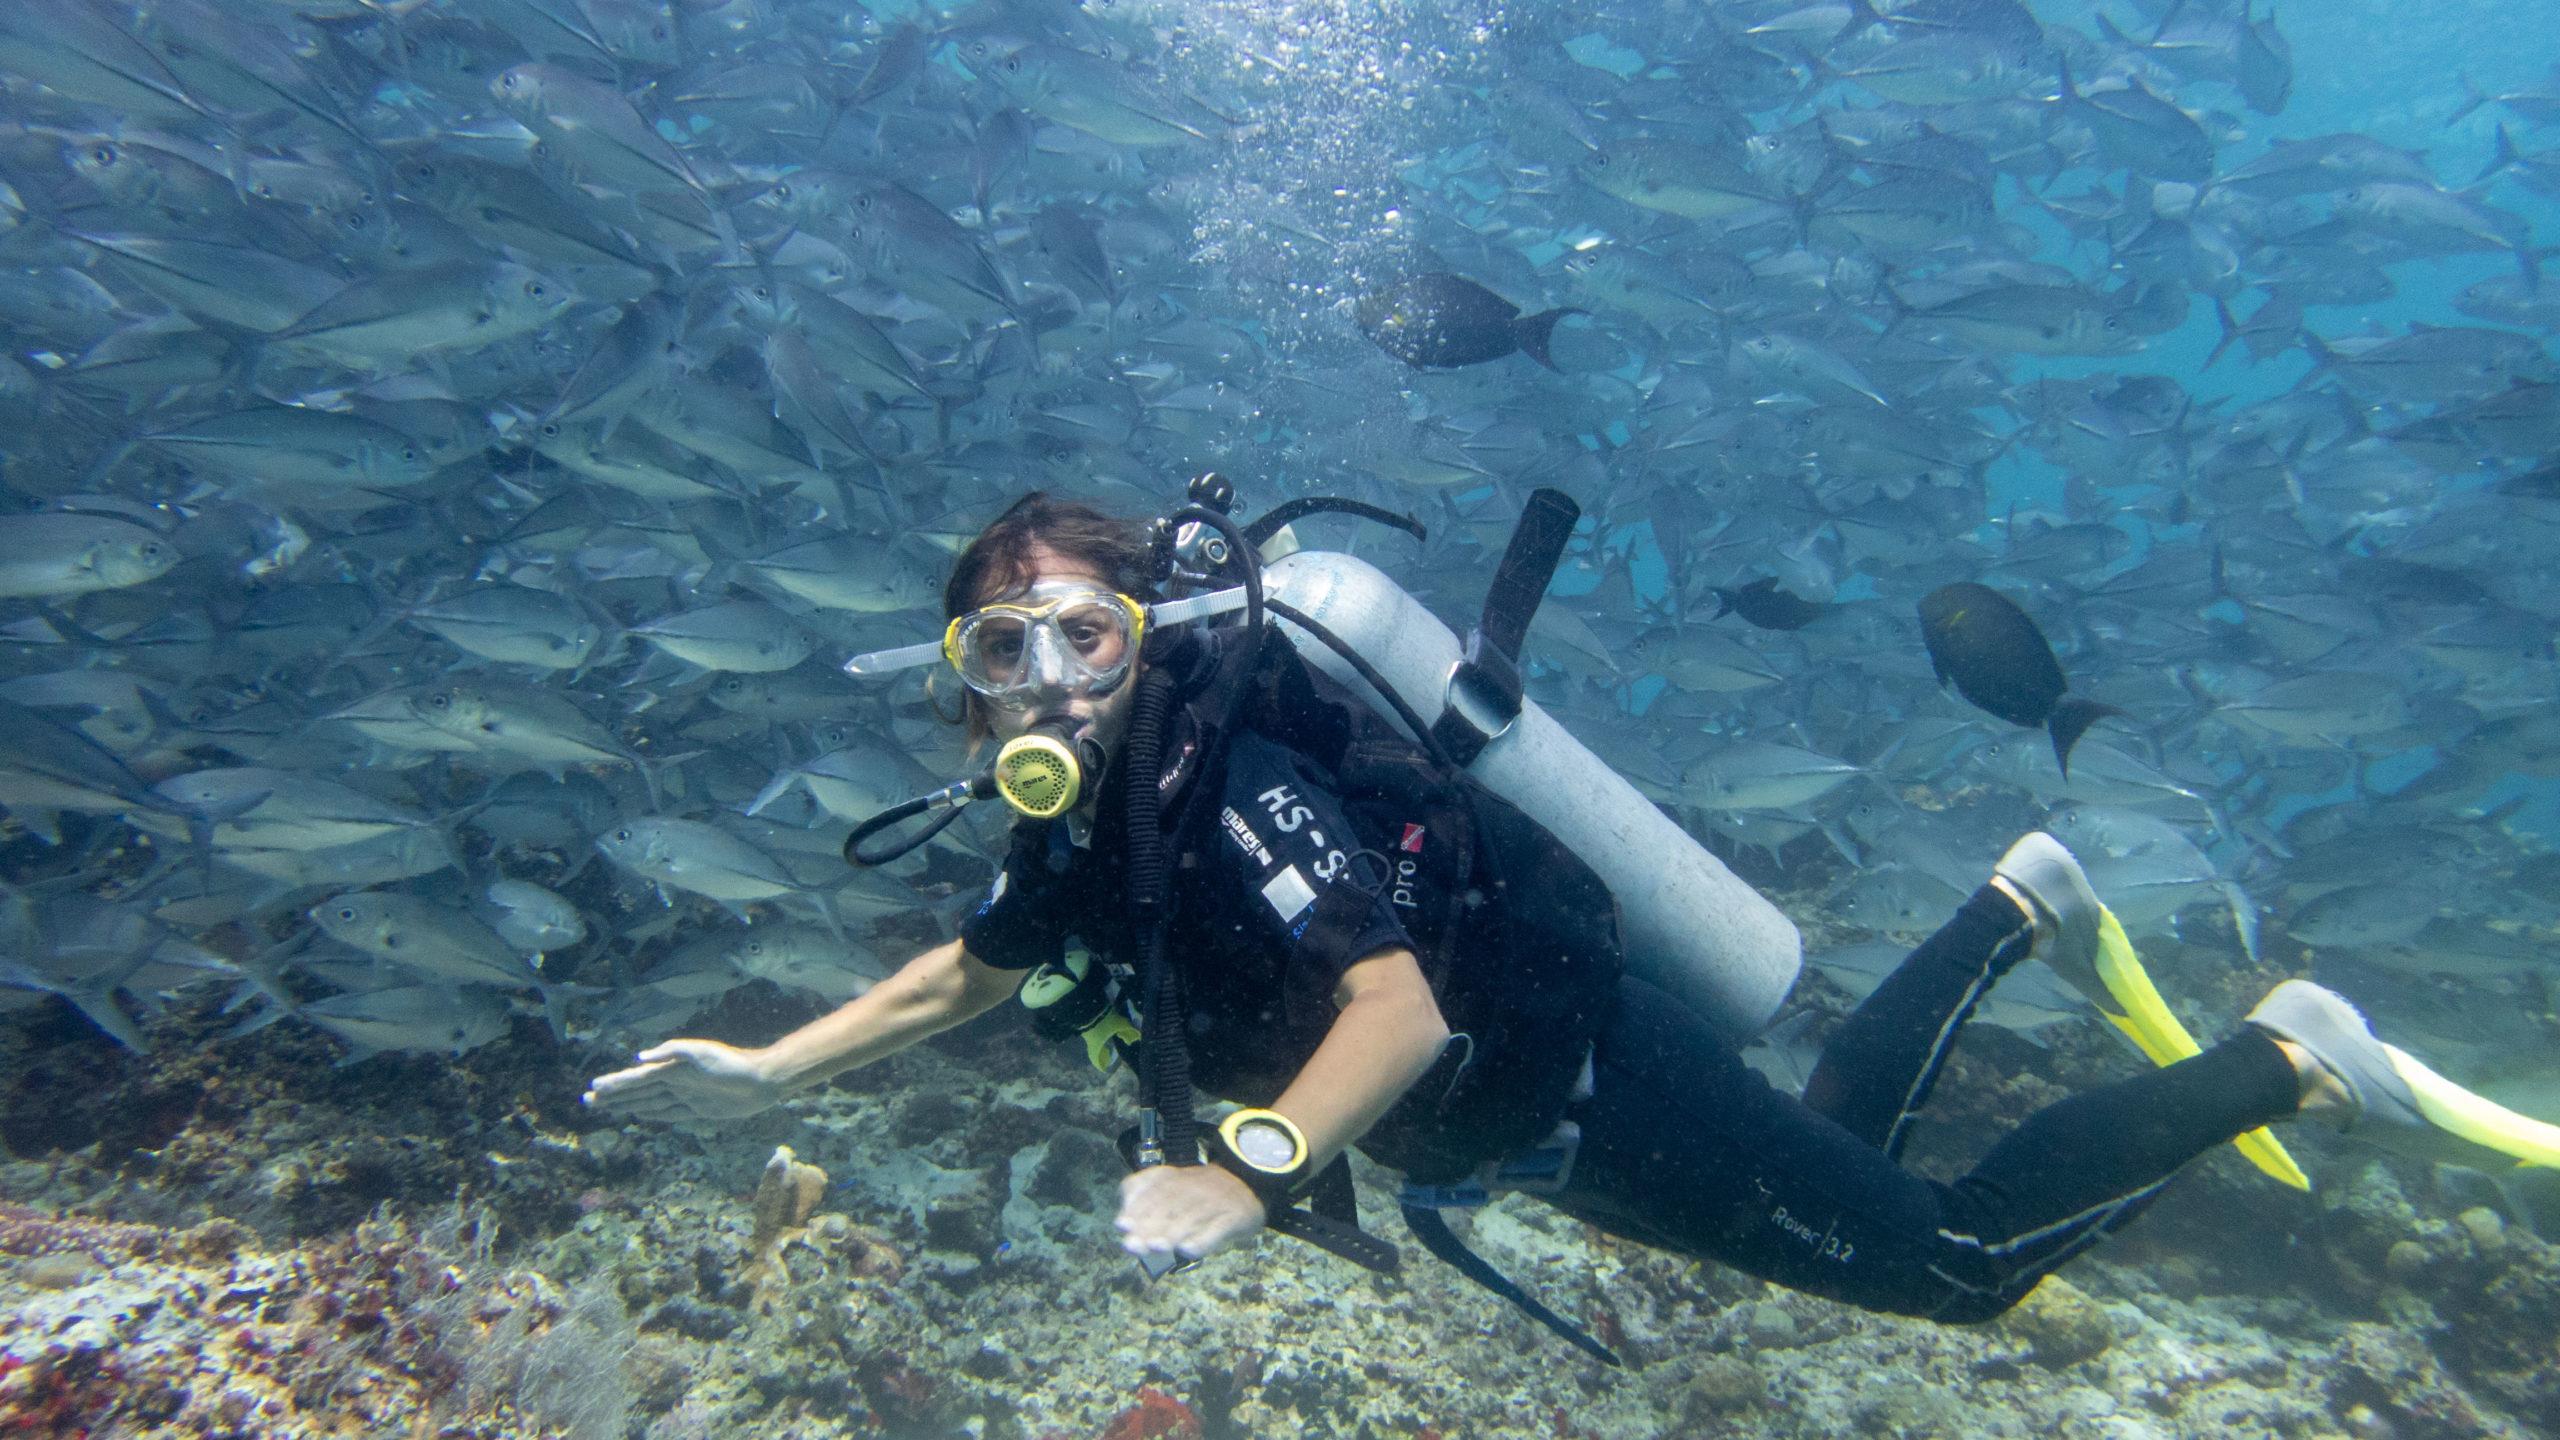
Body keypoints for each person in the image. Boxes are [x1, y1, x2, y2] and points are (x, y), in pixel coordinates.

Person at [583, 491, 2510, 1337]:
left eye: (1081, 636)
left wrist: (1245, 1171)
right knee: (1841, 1151)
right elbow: (956, 975)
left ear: (1153, 635)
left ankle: (2297, 1048)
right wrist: (768, 1069)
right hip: (1535, 1124)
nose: (1039, 685)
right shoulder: (1080, 834)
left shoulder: (1235, 783)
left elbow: (1396, 1017)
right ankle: (2022, 898)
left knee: (1956, 1269)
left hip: (1576, 1079)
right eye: (996, 647)